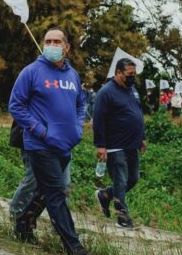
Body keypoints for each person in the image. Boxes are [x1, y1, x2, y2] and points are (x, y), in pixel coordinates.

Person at [9, 28, 88, 255]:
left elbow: (81, 104)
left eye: (57, 41)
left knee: (48, 190)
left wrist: (78, 127)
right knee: (56, 193)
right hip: (40, 144)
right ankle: (73, 245)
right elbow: (16, 106)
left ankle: (22, 224)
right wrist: (41, 131)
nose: (52, 45)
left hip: (65, 144)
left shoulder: (72, 75)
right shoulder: (32, 72)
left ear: (66, 47)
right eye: (48, 41)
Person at [93, 59, 146, 229]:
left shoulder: (133, 90)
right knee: (121, 182)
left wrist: (142, 137)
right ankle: (123, 218)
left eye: (134, 74)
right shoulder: (106, 92)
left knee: (133, 179)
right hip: (115, 145)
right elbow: (98, 120)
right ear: (117, 72)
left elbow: (138, 112)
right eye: (129, 74)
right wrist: (100, 145)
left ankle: (105, 194)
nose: (132, 78)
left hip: (132, 144)